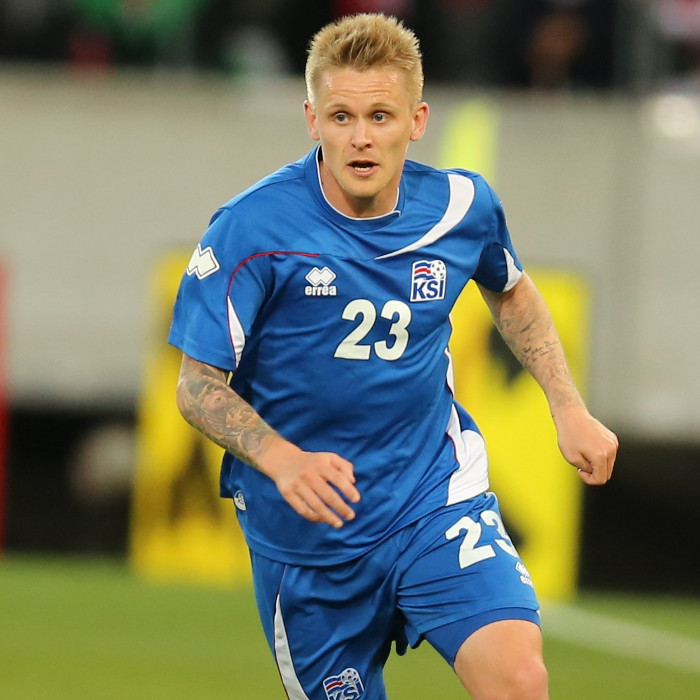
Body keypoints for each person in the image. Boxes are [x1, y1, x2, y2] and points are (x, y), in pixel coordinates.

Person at [169, 12, 618, 700]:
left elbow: (511, 290)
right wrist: (283, 459)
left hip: (432, 499)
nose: (361, 137)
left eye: (380, 116)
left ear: (417, 120)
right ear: (312, 120)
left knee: (520, 679)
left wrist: (568, 406)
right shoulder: (250, 230)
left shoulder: (462, 206)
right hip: (308, 540)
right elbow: (197, 386)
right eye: (341, 117)